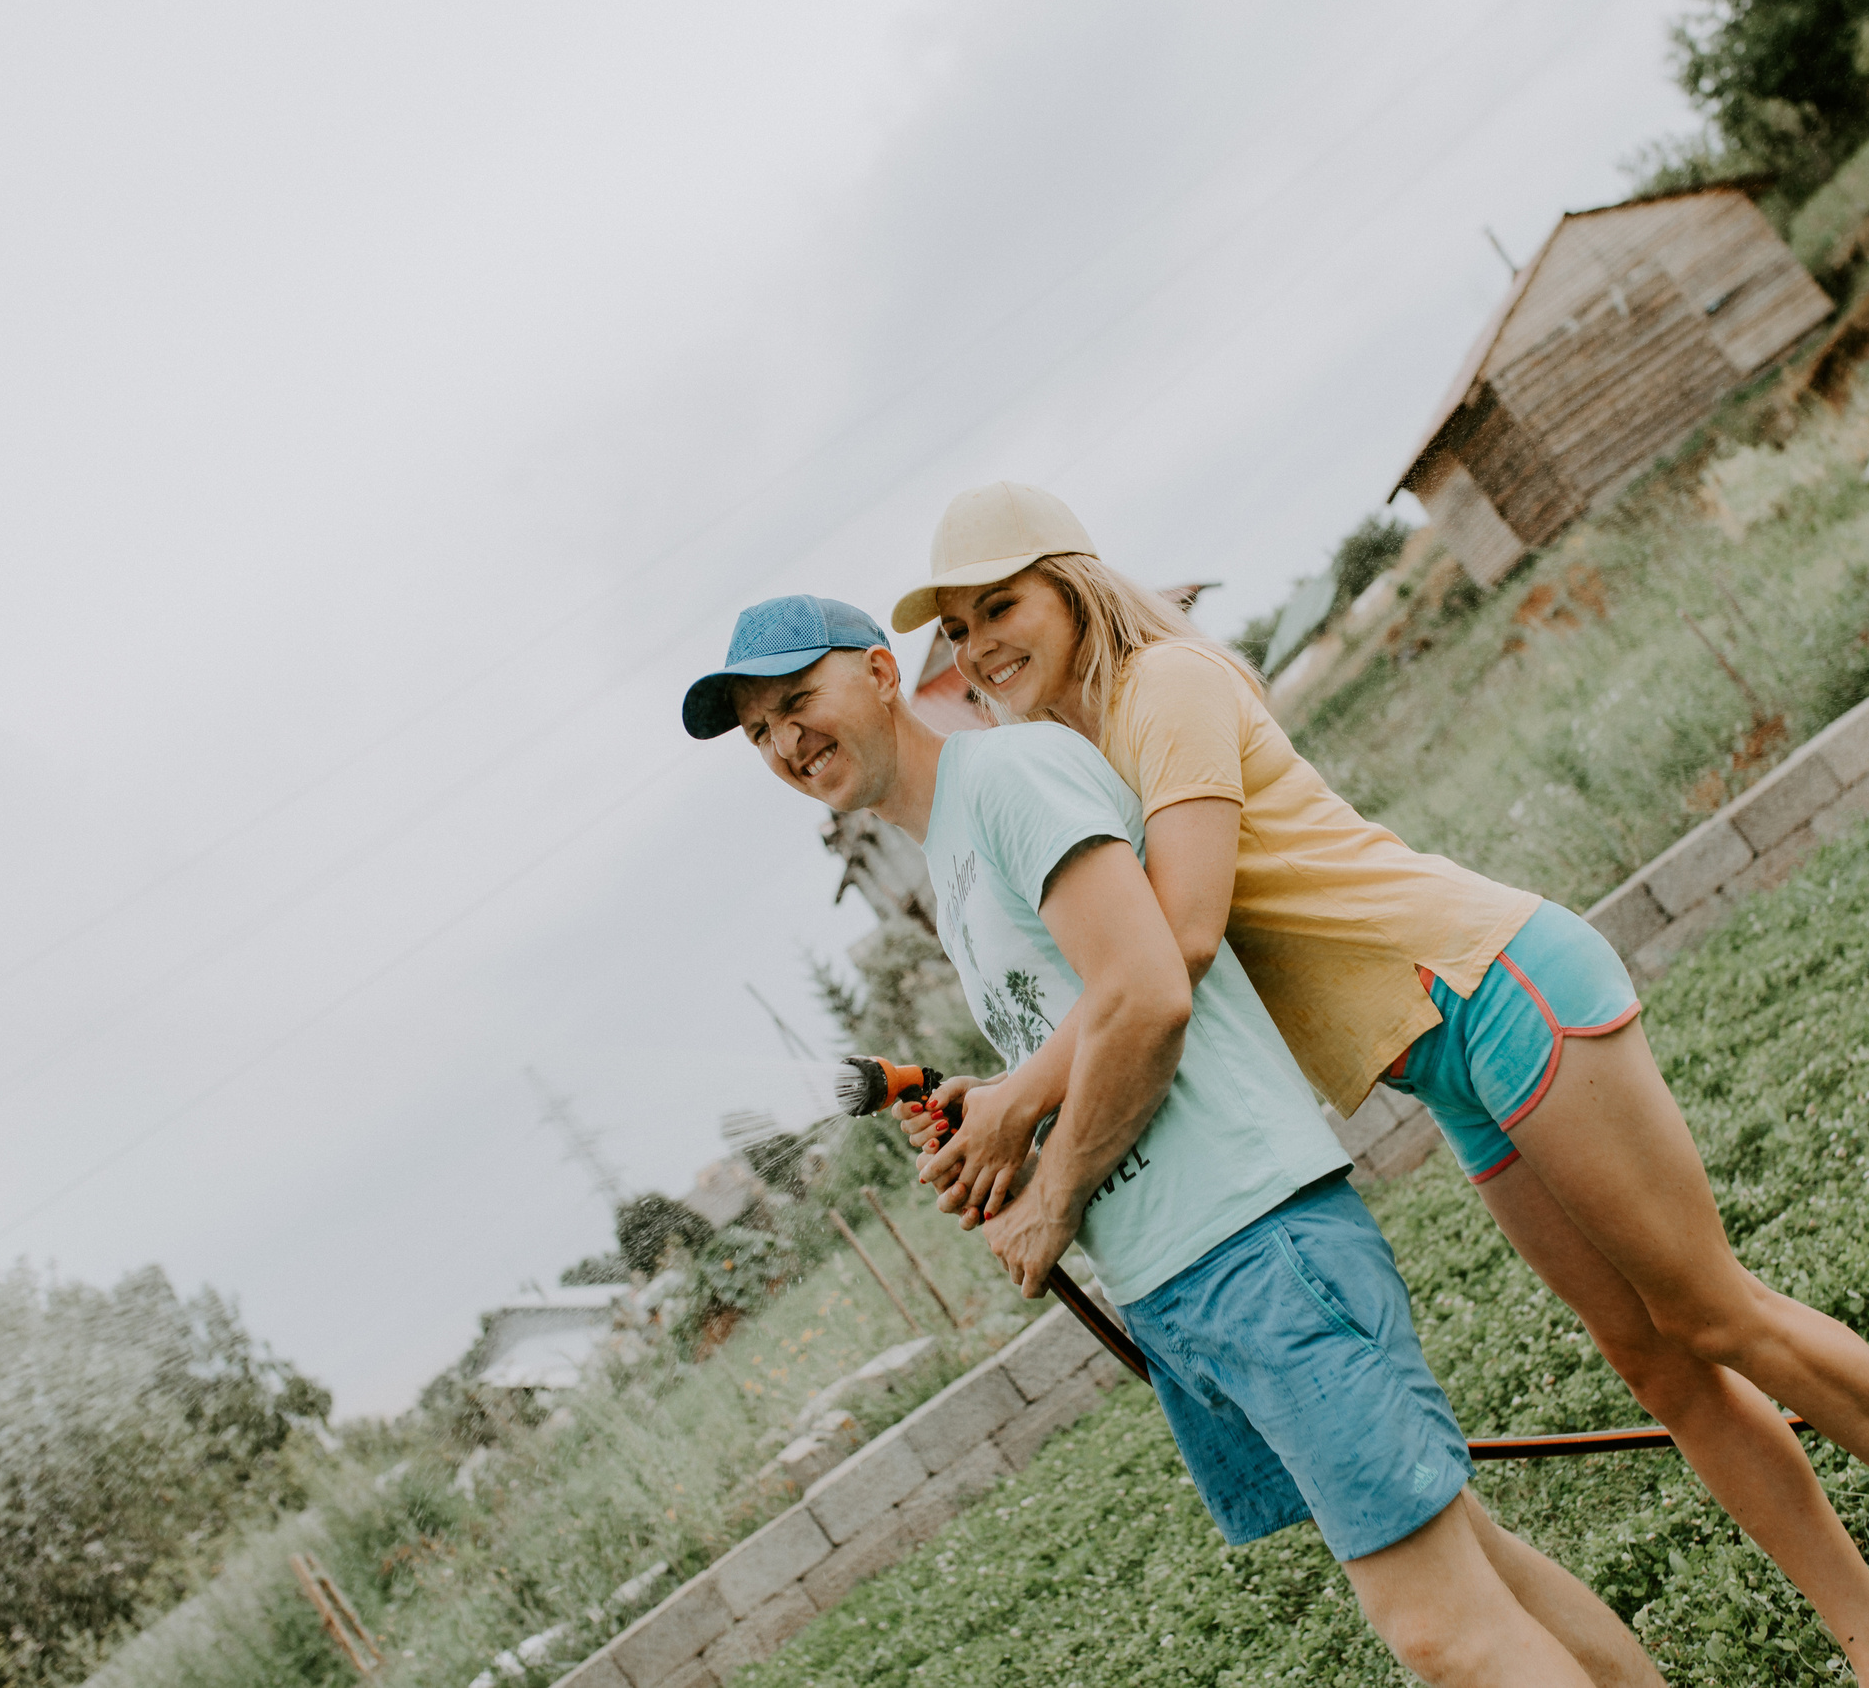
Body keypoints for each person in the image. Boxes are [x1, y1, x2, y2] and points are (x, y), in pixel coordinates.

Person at [888, 481, 1869, 1688]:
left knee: (1715, 1313)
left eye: (1002, 604)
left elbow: (1181, 942)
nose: (982, 643)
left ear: (1072, 585)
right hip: (1438, 1060)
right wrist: (1008, 1090)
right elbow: (1108, 973)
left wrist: (1026, 1103)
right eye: (958, 627)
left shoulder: (1168, 687)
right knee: (1657, 1363)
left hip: (1489, 984)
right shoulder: (1079, 757)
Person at [682, 593, 1677, 1688]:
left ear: (878, 673)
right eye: (759, 731)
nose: (784, 740)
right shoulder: (952, 855)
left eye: (796, 700)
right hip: (1181, 1278)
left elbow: (1151, 989)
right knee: (1472, 1571)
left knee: (1438, 1632)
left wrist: (1053, 1191)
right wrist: (1008, 1101)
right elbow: (1093, 1010)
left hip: (1249, 1244)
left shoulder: (1007, 780)